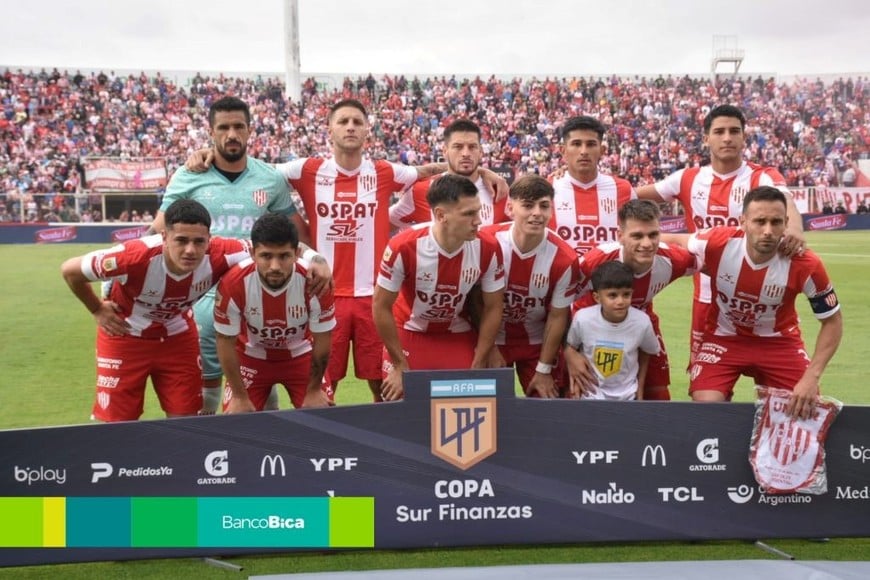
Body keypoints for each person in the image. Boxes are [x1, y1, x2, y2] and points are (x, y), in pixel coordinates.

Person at [275, 99, 507, 402]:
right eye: (343, 121)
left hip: (373, 294)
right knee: (320, 386)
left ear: (367, 130)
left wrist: (483, 172)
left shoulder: (385, 171)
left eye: (357, 122)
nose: (350, 127)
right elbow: (261, 174)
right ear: (329, 129)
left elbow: (427, 170)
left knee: (384, 391)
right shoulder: (307, 169)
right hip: (324, 291)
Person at [150, 96, 320, 415]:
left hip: (257, 299)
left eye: (239, 127)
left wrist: (316, 260)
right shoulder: (188, 176)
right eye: (224, 127)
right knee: (205, 392)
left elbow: (298, 234)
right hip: (202, 298)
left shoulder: (269, 178)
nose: (232, 134)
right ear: (211, 132)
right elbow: (157, 234)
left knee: (260, 386)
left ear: (249, 130)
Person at [636, 104, 805, 367]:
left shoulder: (761, 177)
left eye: (734, 131)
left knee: (775, 381)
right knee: (704, 383)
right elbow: (630, 195)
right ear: (706, 138)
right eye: (719, 132)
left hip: (761, 301)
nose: (727, 138)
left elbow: (785, 200)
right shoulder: (687, 179)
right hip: (707, 299)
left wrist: (794, 227)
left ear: (744, 137)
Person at [60, 199, 250, 422]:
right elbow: (70, 270)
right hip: (124, 335)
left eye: (199, 241)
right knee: (118, 425)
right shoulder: (132, 257)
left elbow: (273, 247)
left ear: (209, 239)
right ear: (164, 237)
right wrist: (97, 309)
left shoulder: (224, 252)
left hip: (178, 337)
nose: (190, 250)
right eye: (181, 240)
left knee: (187, 419)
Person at [674, 186, 842, 419]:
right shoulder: (717, 242)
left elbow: (833, 321)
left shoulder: (806, 263)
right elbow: (671, 240)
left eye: (776, 222)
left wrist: (811, 377)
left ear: (786, 223)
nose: (768, 231)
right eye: (760, 221)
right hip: (724, 338)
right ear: (743, 222)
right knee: (706, 408)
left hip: (779, 343)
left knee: (800, 409)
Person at [373, 174, 505, 401]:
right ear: (441, 215)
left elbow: (494, 307)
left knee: (473, 402)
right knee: (400, 403)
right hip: (409, 332)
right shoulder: (403, 246)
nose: (478, 221)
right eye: (469, 214)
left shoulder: (489, 247)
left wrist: (481, 359)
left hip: (456, 333)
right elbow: (380, 306)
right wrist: (399, 364)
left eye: (478, 211)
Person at [566, 199, 698, 401]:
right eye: (637, 236)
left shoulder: (673, 261)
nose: (647, 244)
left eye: (653, 235)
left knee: (658, 393)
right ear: (620, 236)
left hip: (640, 323)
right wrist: (568, 351)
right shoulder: (595, 261)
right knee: (579, 391)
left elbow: (712, 259)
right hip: (590, 329)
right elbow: (558, 304)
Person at [214, 213, 335, 413]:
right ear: (253, 253)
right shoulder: (233, 283)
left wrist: (314, 390)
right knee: (237, 421)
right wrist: (239, 396)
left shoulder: (316, 282)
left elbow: (323, 338)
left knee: (323, 417)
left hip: (301, 356)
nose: (275, 266)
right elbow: (224, 341)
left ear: (297, 253)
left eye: (284, 256)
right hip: (250, 357)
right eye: (266, 256)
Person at [480, 174, 580, 398]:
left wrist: (544, 370)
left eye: (544, 206)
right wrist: (489, 348)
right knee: (488, 407)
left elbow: (558, 316)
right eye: (527, 205)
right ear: (510, 208)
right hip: (491, 337)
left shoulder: (564, 258)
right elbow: (474, 302)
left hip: (537, 342)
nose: (537, 213)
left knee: (547, 407)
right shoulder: (486, 242)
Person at [565, 261, 660, 401]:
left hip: (627, 396)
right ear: (597, 298)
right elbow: (571, 347)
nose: (620, 301)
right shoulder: (583, 319)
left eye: (626, 294)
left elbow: (647, 351)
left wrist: (640, 386)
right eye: (612, 295)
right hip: (591, 394)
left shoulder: (642, 322)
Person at [389, 119, 509, 229]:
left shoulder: (499, 193)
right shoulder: (421, 191)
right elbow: (387, 223)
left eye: (472, 147)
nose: (466, 153)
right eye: (458, 147)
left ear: (481, 152)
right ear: (445, 151)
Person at [549, 115, 637, 258]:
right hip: (563, 273)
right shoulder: (547, 189)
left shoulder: (623, 189)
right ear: (563, 150)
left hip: (611, 272)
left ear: (602, 150)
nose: (584, 151)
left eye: (590, 144)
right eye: (576, 144)